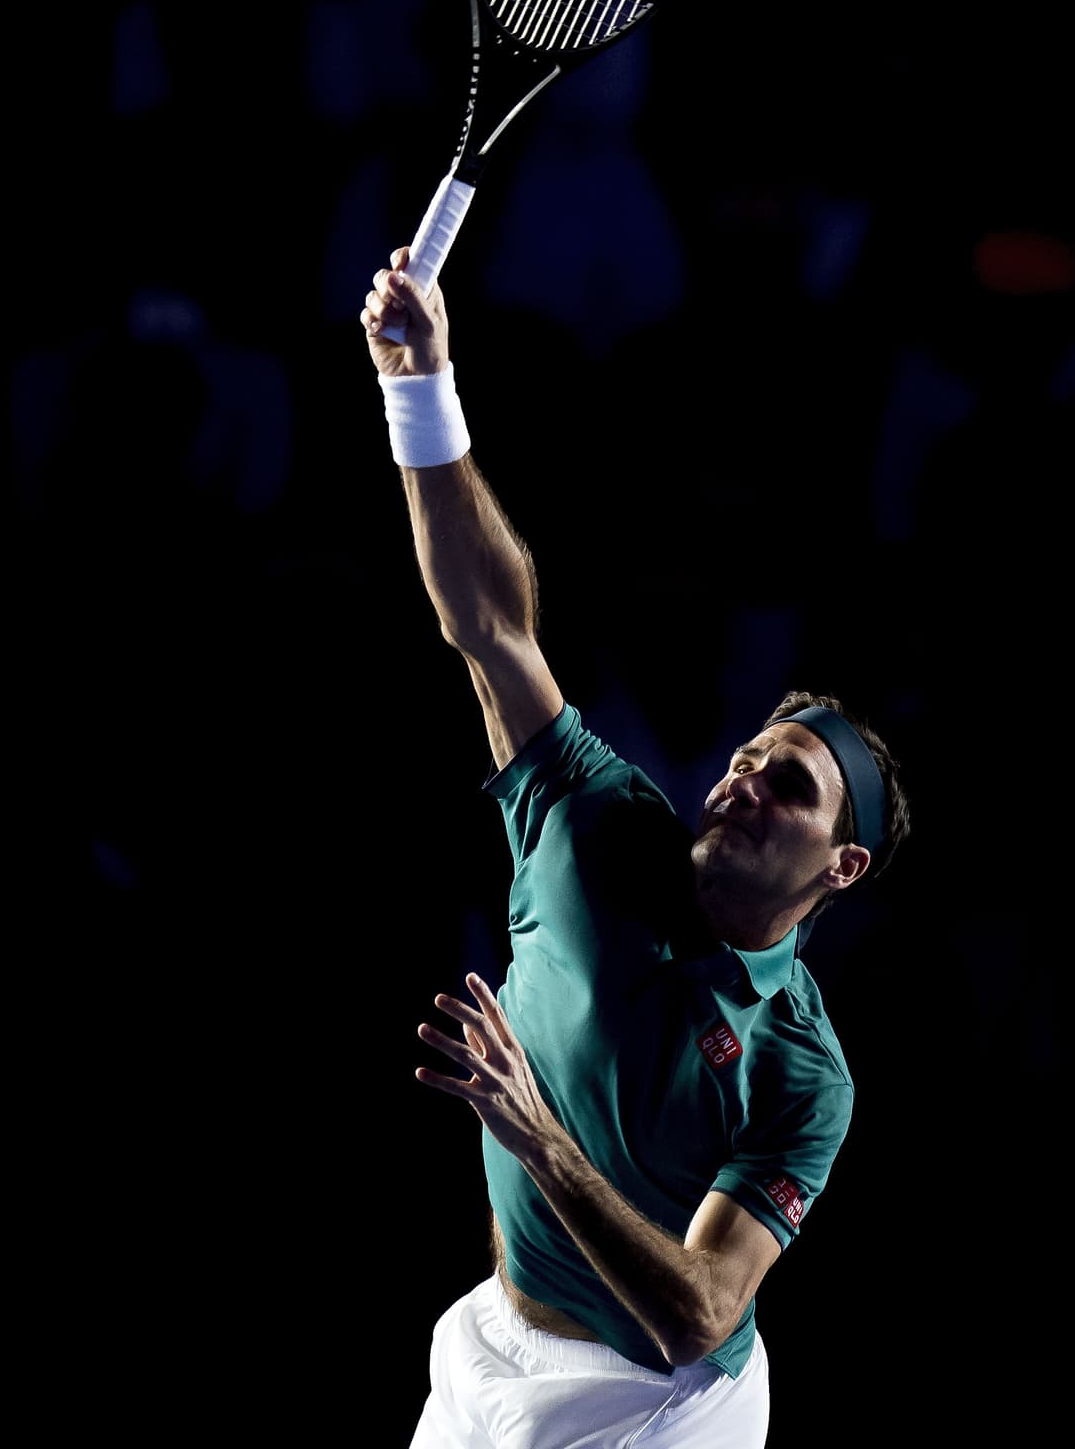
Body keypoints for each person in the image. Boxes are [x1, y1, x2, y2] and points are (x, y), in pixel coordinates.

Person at [362, 245, 910, 1448]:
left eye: (789, 787)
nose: (744, 780)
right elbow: (490, 622)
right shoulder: (596, 822)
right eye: (747, 758)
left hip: (660, 1405)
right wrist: (422, 389)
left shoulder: (801, 1071)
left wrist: (533, 1133)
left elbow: (697, 1315)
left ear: (840, 868)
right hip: (493, 1341)